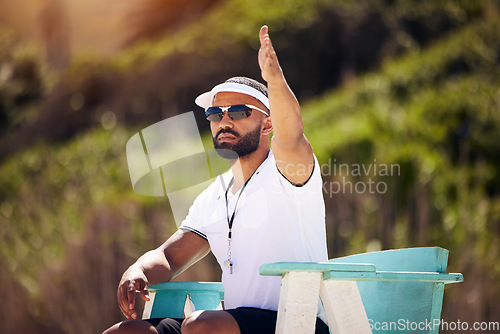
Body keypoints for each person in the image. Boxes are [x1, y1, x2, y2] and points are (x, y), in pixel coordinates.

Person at [103, 25, 329, 334]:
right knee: (125, 333)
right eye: (215, 114)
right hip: (231, 325)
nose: (223, 121)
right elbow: (169, 258)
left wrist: (274, 81)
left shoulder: (289, 172)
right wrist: (138, 269)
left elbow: (292, 137)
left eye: (237, 112)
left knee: (203, 325)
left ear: (267, 124)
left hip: (298, 324)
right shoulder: (215, 195)